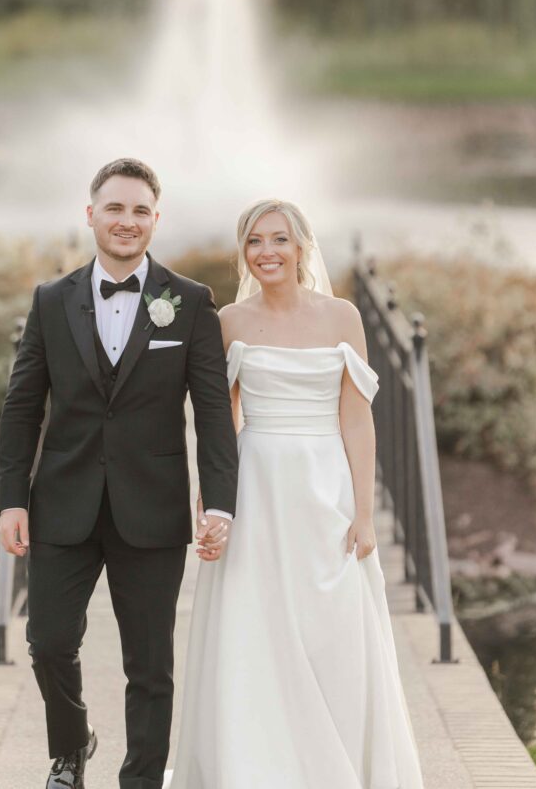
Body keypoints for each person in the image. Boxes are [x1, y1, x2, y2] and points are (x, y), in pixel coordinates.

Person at [0, 158, 238, 789]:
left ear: (156, 219)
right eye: (115, 208)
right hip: (62, 502)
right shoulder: (52, 300)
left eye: (139, 210)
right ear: (91, 215)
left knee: (151, 666)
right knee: (49, 642)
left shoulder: (190, 303)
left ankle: (142, 781)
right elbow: (22, 407)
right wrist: (10, 499)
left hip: (153, 508)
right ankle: (71, 746)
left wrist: (219, 503)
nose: (127, 221)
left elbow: (214, 413)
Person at [165, 198, 424, 789]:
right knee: (254, 625)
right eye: (254, 241)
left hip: (325, 485)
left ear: (302, 246)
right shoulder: (230, 321)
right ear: (243, 253)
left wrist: (364, 514)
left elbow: (357, 418)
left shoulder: (342, 317)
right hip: (256, 484)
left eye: (279, 239)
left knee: (331, 629)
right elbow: (222, 420)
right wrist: (211, 501)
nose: (267, 252)